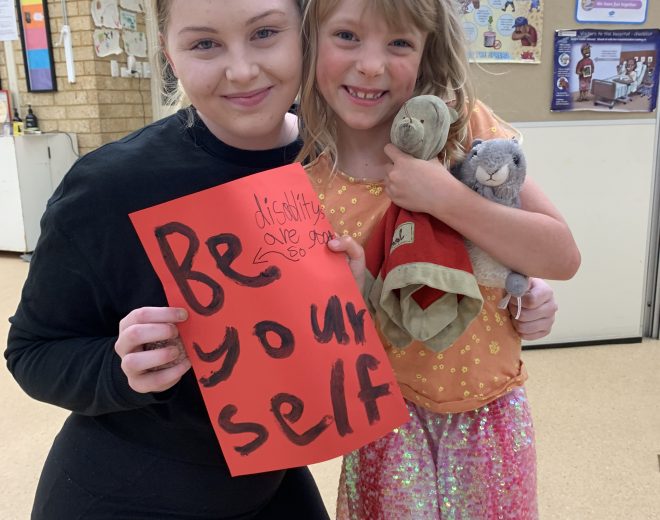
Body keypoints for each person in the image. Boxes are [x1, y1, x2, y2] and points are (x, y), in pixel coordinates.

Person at [4, 0, 365, 517]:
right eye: (204, 44)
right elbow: (32, 352)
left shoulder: (338, 160)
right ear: (169, 55)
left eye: (265, 33)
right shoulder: (109, 188)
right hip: (131, 490)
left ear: (305, 37)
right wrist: (120, 367)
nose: (241, 70)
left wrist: (519, 294)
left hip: (272, 475)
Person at [297, 0, 580, 518]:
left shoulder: (464, 131)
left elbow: (561, 256)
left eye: (399, 43)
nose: (371, 65)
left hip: (489, 414)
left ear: (427, 53)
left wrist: (448, 199)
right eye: (346, 37)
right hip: (384, 428)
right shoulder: (305, 185)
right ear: (309, 42)